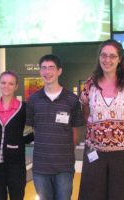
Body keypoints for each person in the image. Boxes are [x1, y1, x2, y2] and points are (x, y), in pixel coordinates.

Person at [78, 39, 124, 200]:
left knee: (123, 195)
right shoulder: (90, 83)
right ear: (99, 57)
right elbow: (86, 115)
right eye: (104, 55)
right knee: (93, 195)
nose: (107, 60)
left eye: (112, 56)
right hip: (95, 152)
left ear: (120, 59)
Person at [26, 54, 85, 200]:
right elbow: (35, 128)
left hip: (64, 167)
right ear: (40, 71)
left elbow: (75, 132)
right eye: (44, 68)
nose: (47, 72)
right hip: (40, 167)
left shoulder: (72, 99)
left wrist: (65, 154)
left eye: (51, 67)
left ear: (59, 71)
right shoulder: (33, 100)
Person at [0, 71, 34, 200]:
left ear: (16, 86)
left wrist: (19, 141)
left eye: (11, 83)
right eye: (3, 83)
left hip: (17, 163)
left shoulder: (24, 108)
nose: (6, 86)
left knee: (17, 196)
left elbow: (37, 130)